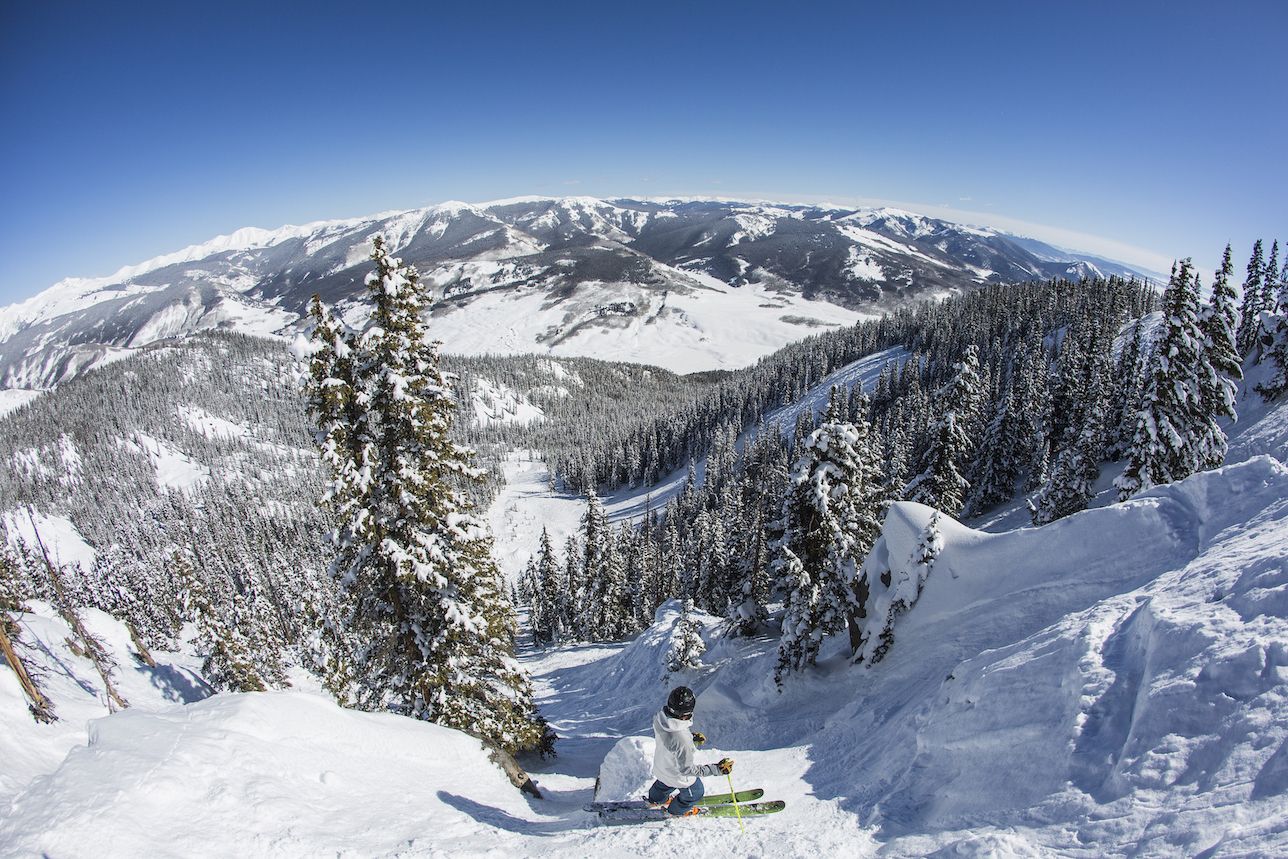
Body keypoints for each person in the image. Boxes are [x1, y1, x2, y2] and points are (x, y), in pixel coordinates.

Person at [647, 686, 734, 817]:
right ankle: (676, 811)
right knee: (696, 792)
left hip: (661, 767)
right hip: (678, 777)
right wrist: (716, 769)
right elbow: (686, 770)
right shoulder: (682, 740)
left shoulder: (660, 719)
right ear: (687, 713)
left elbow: (672, 742)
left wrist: (691, 739)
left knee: (663, 784)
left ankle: (656, 800)